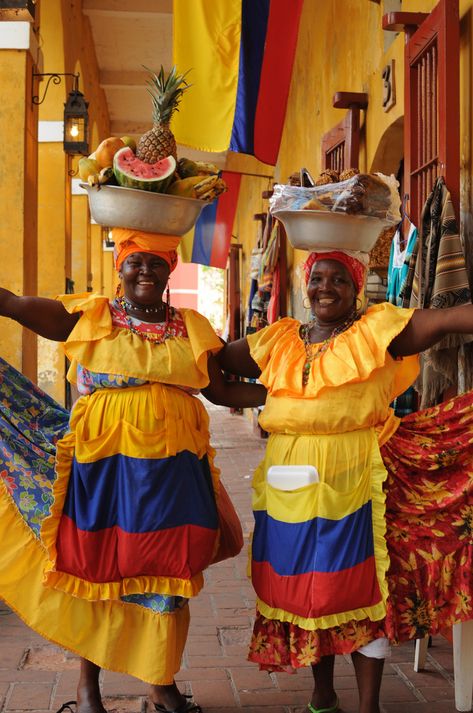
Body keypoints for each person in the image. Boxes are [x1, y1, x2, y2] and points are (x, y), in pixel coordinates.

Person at [0, 227, 266, 713]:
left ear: (171, 270)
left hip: (176, 471)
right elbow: (13, 303)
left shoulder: (190, 327)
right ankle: (87, 688)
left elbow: (224, 392)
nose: (145, 271)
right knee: (99, 567)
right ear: (120, 267)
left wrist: (301, 397)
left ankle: (160, 683)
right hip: (103, 470)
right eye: (135, 262)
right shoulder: (91, 317)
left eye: (156, 263)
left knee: (170, 569)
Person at [217, 248, 473, 713]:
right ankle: (322, 694)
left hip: (355, 473)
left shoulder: (377, 331)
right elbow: (214, 372)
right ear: (305, 283)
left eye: (338, 280)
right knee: (303, 587)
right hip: (287, 477)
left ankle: (369, 704)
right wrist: (275, 394)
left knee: (357, 587)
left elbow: (449, 318)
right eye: (318, 278)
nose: (325, 288)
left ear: (357, 289)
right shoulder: (279, 339)